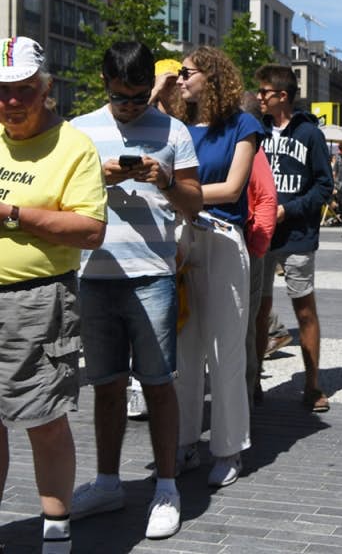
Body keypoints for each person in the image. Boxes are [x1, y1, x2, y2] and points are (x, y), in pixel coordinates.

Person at [69, 41, 203, 539]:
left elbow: (193, 201)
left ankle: (166, 485)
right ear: (105, 84)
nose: (130, 106)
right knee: (105, 386)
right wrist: (96, 180)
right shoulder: (80, 131)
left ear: (153, 85)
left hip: (151, 274)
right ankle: (108, 481)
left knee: (158, 383)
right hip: (93, 274)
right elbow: (64, 201)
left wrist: (164, 177)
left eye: (139, 96)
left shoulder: (174, 130)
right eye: (121, 97)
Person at [0, 36, 107, 554]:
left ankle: (57, 528)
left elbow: (90, 230)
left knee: (41, 419)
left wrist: (13, 213)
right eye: (2, 92)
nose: (11, 102)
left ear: (46, 90)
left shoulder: (73, 146)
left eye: (23, 90)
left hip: (37, 301)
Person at [174, 46, 261, 488]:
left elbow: (231, 189)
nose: (180, 78)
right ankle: (185, 438)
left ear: (210, 75)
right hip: (183, 239)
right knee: (184, 348)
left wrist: (176, 191)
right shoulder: (177, 126)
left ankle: (228, 448)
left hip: (223, 237)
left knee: (225, 348)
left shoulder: (241, 124)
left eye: (186, 72)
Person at [254, 64, 333, 413]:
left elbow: (324, 186)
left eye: (264, 92)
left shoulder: (309, 135)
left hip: (297, 235)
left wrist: (290, 209)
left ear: (282, 96)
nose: (258, 97)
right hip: (259, 234)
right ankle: (252, 380)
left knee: (304, 311)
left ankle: (312, 385)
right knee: (259, 310)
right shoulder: (255, 131)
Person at [239, 91, 278, 408]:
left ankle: (245, 395)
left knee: (245, 328)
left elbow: (266, 199)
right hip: (241, 246)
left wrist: (257, 246)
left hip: (246, 246)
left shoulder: (253, 148)